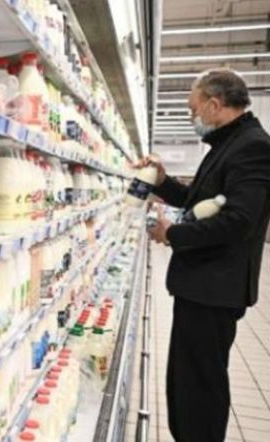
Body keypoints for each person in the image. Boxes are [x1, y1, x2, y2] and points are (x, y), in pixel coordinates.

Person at [143, 69, 270, 442]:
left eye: (193, 109)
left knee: (200, 385)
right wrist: (162, 182)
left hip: (214, 291)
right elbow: (198, 202)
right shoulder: (229, 144)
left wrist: (173, 234)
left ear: (215, 105)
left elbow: (239, 222)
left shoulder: (253, 147)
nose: (192, 117)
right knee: (187, 380)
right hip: (202, 288)